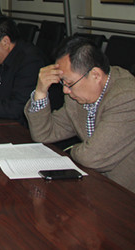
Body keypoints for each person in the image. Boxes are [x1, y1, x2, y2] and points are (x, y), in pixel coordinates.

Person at [25, 36, 135, 192]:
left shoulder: (127, 97)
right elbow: (43, 134)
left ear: (96, 75)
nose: (65, 91)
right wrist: (41, 92)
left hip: (124, 193)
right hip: (96, 185)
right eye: (63, 83)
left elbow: (92, 157)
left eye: (69, 83)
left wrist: (71, 150)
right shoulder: (78, 97)